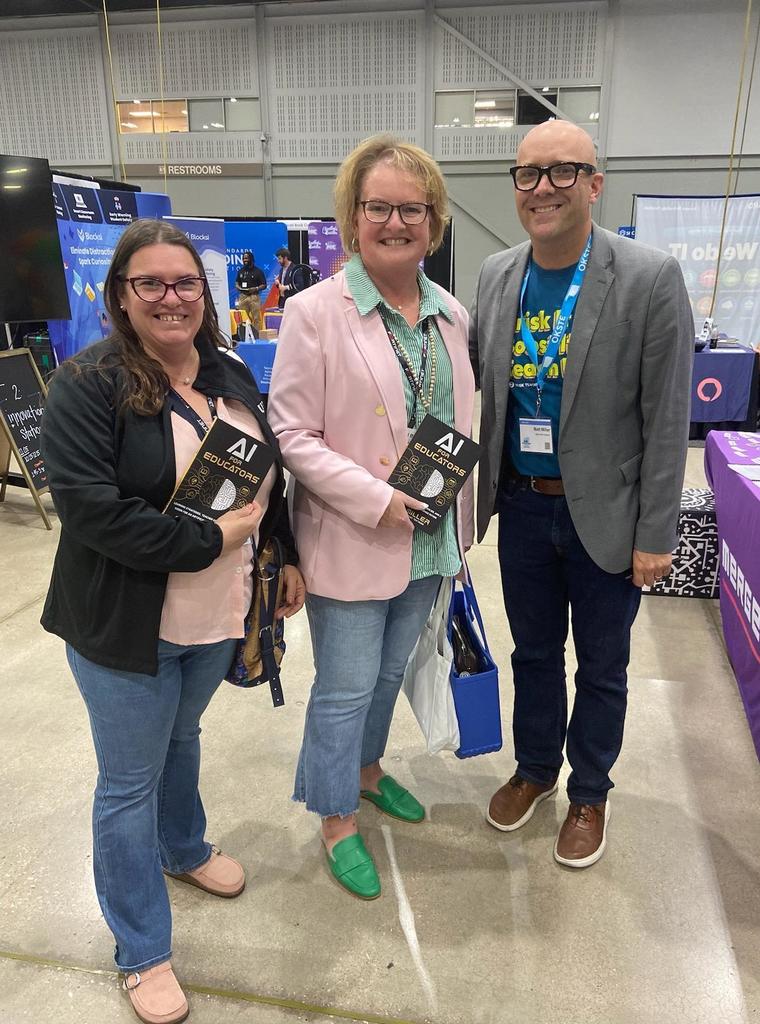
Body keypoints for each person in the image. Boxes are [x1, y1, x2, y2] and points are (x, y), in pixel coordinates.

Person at [41, 219, 305, 1024]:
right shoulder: (87, 385)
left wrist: (283, 550)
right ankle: (142, 951)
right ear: (121, 296)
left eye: (184, 283)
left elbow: (267, 478)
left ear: (205, 293)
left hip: (217, 614)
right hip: (124, 623)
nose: (170, 298)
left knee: (181, 739)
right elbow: (93, 512)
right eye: (149, 284)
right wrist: (204, 540)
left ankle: (183, 847)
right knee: (127, 784)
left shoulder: (227, 372)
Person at [469, 119, 693, 868]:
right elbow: (480, 401)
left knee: (601, 664)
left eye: (563, 172)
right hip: (524, 505)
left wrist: (656, 532)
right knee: (532, 653)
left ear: (595, 184)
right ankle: (536, 769)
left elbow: (668, 418)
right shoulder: (498, 274)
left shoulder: (649, 276)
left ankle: (589, 790)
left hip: (607, 511)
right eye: (529, 174)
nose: (543, 188)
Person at [268, 135, 475, 899]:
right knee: (347, 686)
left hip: (429, 542)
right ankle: (333, 815)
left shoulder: (452, 316)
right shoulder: (314, 313)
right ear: (352, 218)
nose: (396, 221)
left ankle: (365, 769)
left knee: (391, 673)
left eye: (411, 209)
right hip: (355, 535)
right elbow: (290, 434)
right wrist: (376, 497)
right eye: (379, 206)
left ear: (435, 220)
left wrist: (454, 524)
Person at [234, 250, 266, 332]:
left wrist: (255, 289)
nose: (245, 260)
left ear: (251, 259)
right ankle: (244, 335)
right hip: (243, 297)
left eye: (246, 258)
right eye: (243, 258)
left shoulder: (258, 271)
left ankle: (257, 336)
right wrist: (237, 286)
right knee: (242, 317)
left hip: (254, 297)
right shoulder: (241, 271)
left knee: (256, 318)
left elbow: (264, 285)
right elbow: (237, 282)